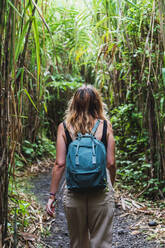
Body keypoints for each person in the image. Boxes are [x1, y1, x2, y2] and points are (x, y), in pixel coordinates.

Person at [46, 85, 116, 248]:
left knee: (78, 242)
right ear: (97, 103)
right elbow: (111, 163)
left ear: (74, 104)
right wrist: (111, 185)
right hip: (101, 192)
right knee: (101, 242)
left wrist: (52, 196)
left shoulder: (64, 127)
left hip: (74, 191)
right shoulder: (105, 126)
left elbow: (59, 164)